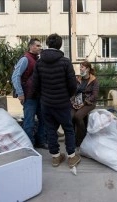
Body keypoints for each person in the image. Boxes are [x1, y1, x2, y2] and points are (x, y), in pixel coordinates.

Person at [32, 33, 81, 168]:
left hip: (46, 103)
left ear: (48, 44)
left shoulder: (39, 62)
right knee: (68, 129)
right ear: (60, 45)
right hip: (62, 103)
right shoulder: (65, 62)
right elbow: (72, 85)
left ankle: (55, 157)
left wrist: (43, 96)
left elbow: (35, 84)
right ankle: (71, 157)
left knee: (50, 129)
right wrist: (68, 96)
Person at [12, 38, 47, 149]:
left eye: (40, 45)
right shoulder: (25, 59)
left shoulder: (36, 59)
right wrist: (20, 93)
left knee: (43, 119)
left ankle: (40, 141)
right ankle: (29, 145)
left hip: (38, 96)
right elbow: (15, 76)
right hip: (29, 96)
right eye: (37, 45)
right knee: (29, 122)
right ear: (31, 46)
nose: (39, 47)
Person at [70, 60, 99, 147]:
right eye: (80, 67)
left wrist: (84, 103)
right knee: (70, 116)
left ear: (88, 69)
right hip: (76, 102)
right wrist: (72, 102)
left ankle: (81, 139)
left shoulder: (94, 80)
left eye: (82, 67)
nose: (80, 69)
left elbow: (95, 95)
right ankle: (72, 139)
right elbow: (72, 92)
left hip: (88, 103)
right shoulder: (78, 79)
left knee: (78, 116)